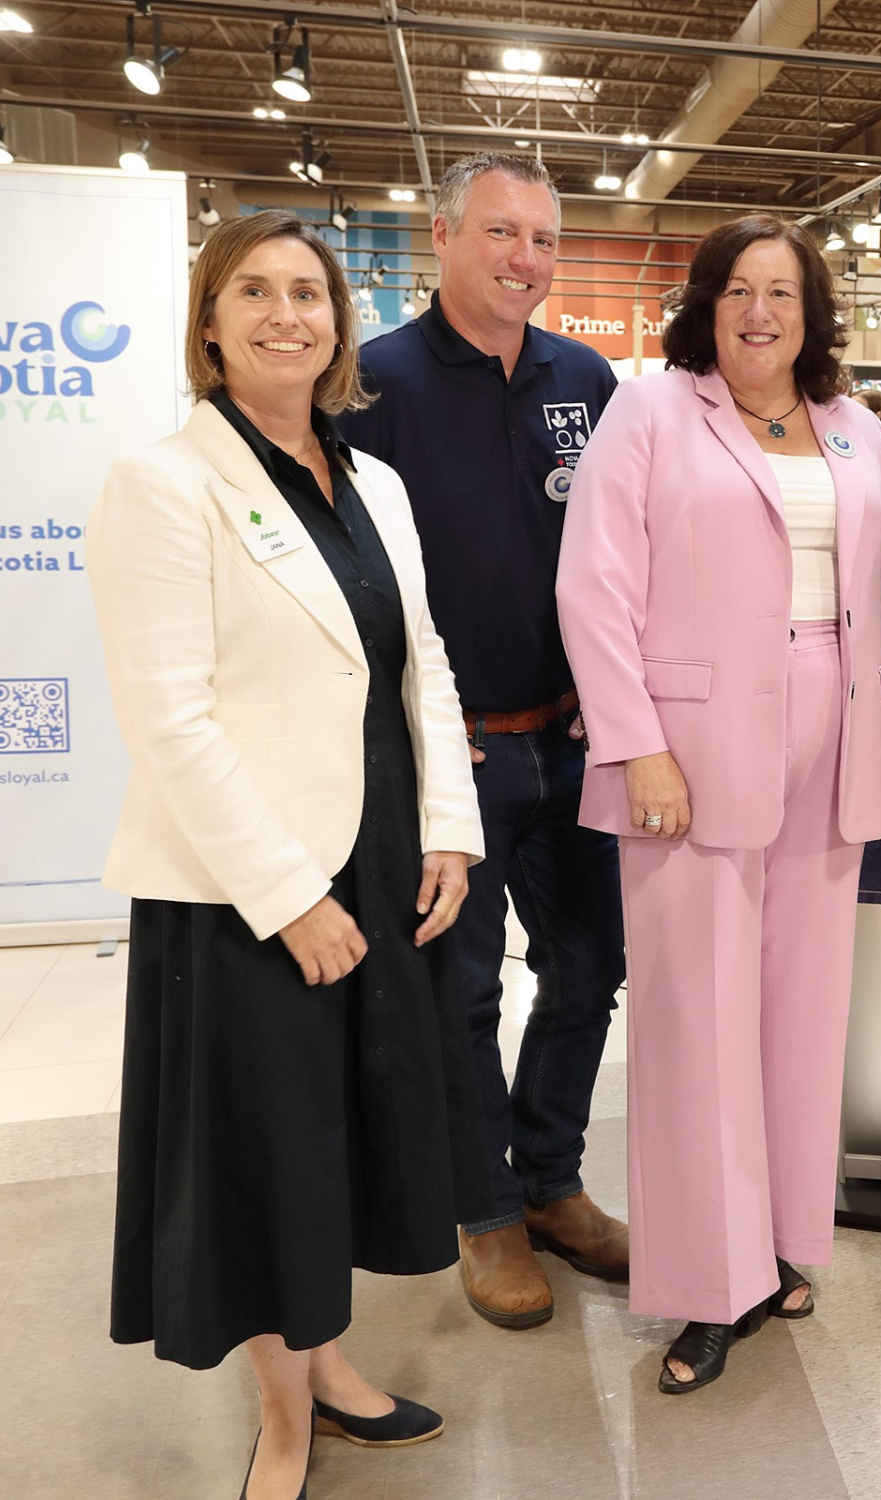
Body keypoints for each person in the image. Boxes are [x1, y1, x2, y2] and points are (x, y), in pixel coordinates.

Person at [89, 209, 487, 1500]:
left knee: (332, 1138)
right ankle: (281, 1410)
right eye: (252, 292)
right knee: (262, 1151)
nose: (285, 315)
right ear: (209, 322)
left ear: (339, 322)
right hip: (243, 891)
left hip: (374, 858)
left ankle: (328, 1361)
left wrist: (447, 829)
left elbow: (419, 661)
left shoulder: (371, 484)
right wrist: (288, 897)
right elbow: (170, 717)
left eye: (308, 294)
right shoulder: (168, 482)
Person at [555, 214, 881, 1395]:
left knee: (800, 1016)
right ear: (706, 304)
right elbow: (592, 586)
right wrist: (637, 746)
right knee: (695, 1019)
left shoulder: (857, 431)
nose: (760, 312)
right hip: (693, 751)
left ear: (811, 316)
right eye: (740, 290)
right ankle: (710, 1286)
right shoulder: (651, 411)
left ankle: (785, 1244)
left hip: (835, 733)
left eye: (784, 293)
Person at [338, 153, 629, 1331]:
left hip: (578, 741)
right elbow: (352, 576)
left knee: (592, 967)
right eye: (502, 233)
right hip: (450, 753)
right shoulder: (374, 386)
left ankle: (551, 1180)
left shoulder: (588, 380)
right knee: (459, 993)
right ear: (443, 234)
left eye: (545, 240)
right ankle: (485, 1208)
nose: (525, 259)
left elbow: (626, 555)